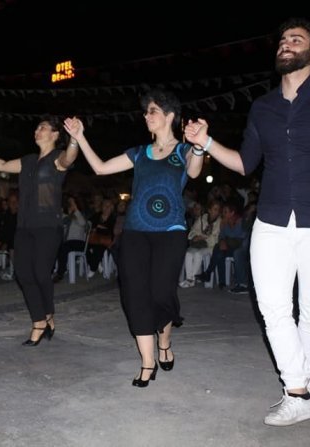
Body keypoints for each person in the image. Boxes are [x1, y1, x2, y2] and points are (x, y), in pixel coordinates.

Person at [184, 18, 310, 425]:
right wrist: (206, 142)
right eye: (282, 40)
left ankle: (302, 393)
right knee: (272, 307)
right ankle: (299, 391)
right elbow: (245, 163)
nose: (286, 44)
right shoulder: (263, 107)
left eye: (296, 39)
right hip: (272, 220)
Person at [64, 88, 204, 387]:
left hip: (170, 233)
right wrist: (80, 137)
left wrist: (199, 145)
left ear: (169, 115)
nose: (146, 116)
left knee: (161, 293)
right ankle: (147, 361)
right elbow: (100, 168)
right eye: (146, 111)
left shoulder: (183, 151)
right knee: (135, 295)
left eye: (152, 111)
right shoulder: (139, 153)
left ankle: (164, 342)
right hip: (135, 233)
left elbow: (194, 172)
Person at [0, 116, 79, 346]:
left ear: (55, 134)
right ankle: (39, 321)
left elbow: (69, 158)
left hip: (48, 226)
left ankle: (47, 314)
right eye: (37, 127)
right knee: (23, 274)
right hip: (24, 227)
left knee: (41, 273)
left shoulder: (57, 158)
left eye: (43, 127)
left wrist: (75, 139)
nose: (37, 130)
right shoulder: (27, 160)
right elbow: (1, 165)